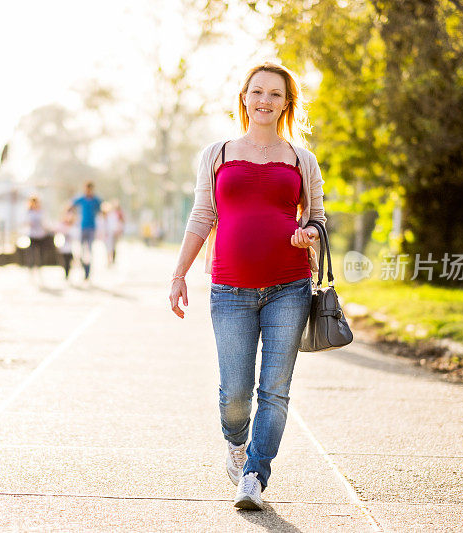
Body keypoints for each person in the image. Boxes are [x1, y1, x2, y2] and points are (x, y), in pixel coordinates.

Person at [168, 62, 326, 511]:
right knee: (235, 393)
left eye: (276, 94)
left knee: (274, 389)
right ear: (244, 97)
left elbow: (316, 217)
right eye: (257, 92)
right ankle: (236, 445)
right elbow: (202, 216)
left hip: (290, 286)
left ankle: (255, 474)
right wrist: (179, 274)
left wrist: (309, 232)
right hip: (230, 289)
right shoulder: (216, 153)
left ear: (286, 103)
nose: (265, 101)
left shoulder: (301, 159)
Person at [70, 181, 102, 281]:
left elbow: (102, 209)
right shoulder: (81, 199)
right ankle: (83, 268)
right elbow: (71, 206)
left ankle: (87, 272)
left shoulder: (96, 200)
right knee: (80, 250)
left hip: (91, 228)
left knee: (89, 250)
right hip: (82, 227)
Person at [56, 208, 79, 281]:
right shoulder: (62, 223)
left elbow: (76, 235)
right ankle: (65, 273)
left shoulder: (74, 225)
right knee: (64, 260)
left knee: (69, 260)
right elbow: (58, 232)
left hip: (71, 247)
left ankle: (67, 273)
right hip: (63, 246)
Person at [26, 196, 47, 271]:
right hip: (32, 235)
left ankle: (39, 268)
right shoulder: (29, 212)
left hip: (40, 235)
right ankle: (31, 268)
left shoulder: (41, 212)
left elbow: (44, 223)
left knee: (40, 254)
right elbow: (27, 222)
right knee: (31, 254)